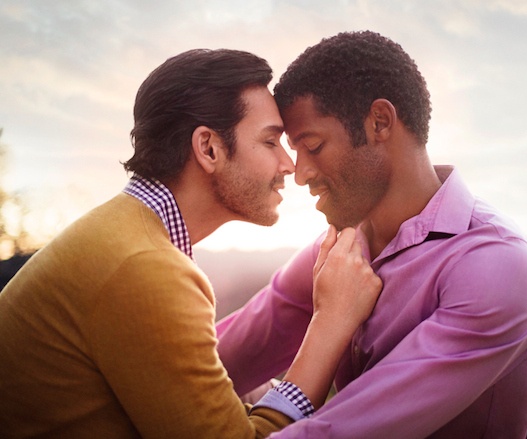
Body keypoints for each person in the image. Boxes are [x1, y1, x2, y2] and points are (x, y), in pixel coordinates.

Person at [0, 48, 382, 438]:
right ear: (208, 148)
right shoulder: (145, 267)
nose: (289, 165)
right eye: (270, 142)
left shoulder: (126, 235)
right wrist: (331, 324)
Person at [215, 31, 527, 438]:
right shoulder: (338, 251)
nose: (300, 174)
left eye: (313, 146)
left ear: (379, 123)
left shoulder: (495, 266)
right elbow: (212, 365)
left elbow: (334, 433)